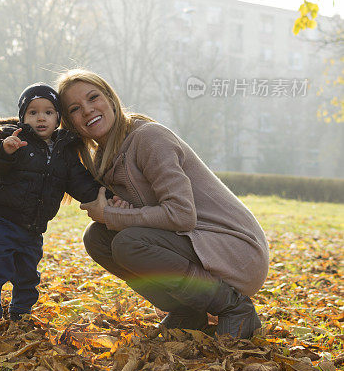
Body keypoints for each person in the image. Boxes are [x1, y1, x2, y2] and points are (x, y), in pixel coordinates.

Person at [57, 70, 269, 339]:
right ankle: (187, 311)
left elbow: (181, 215)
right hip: (195, 243)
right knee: (98, 239)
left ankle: (234, 307)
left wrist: (112, 215)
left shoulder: (149, 138)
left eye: (93, 97)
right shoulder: (103, 158)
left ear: (110, 99)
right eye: (75, 108)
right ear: (70, 122)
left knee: (128, 243)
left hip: (235, 251)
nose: (87, 110)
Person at [0, 82, 119, 322]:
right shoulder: (15, 141)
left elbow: (80, 182)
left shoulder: (63, 152)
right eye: (33, 113)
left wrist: (105, 196)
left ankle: (20, 314)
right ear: (23, 117)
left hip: (33, 228)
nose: (41, 118)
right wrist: (4, 150)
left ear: (58, 118)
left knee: (28, 274)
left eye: (48, 112)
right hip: (2, 221)